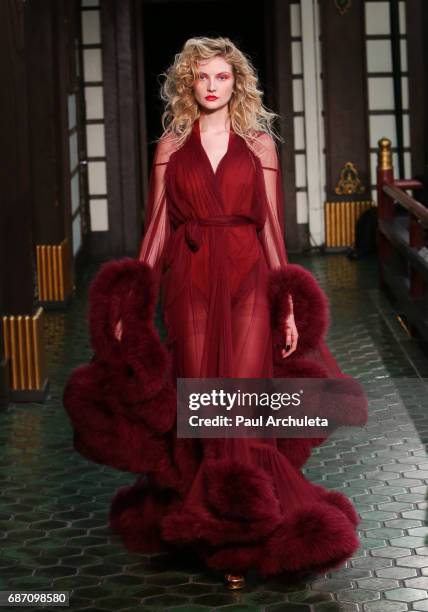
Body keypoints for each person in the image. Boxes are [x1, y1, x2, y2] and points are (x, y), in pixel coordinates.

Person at [111, 36, 363, 588]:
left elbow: (272, 228)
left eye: (221, 77)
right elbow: (156, 229)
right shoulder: (172, 146)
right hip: (191, 279)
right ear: (188, 82)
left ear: (236, 82)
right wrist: (134, 298)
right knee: (202, 393)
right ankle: (212, 529)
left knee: (244, 394)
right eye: (202, 77)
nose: (211, 86)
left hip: (249, 275)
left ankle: (248, 525)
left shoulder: (259, 146)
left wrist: (288, 303)